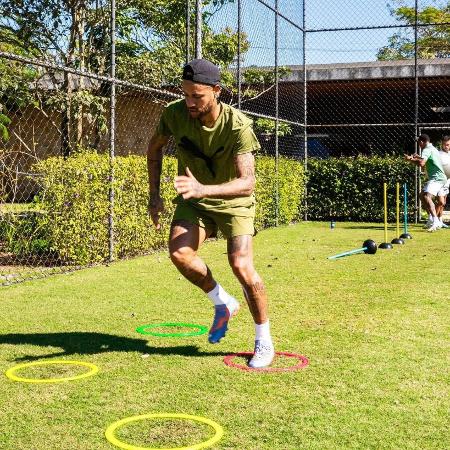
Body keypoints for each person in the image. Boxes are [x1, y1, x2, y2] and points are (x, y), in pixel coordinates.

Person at [147, 59, 275, 368]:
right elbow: (153, 149)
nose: (189, 102)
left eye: (197, 96)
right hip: (195, 199)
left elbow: (247, 183)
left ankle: (264, 340)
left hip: (232, 200)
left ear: (216, 91)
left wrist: (204, 188)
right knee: (180, 254)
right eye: (185, 94)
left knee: (241, 266)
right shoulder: (174, 115)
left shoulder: (238, 125)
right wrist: (154, 197)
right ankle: (223, 302)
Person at [404, 134, 447, 232]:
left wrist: (410, 159)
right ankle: (431, 219)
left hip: (437, 178)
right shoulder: (433, 148)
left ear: (422, 142)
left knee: (427, 197)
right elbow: (426, 162)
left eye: (419, 142)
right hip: (440, 178)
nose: (419, 145)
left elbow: (422, 163)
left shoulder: (426, 149)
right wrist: (418, 157)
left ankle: (435, 221)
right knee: (421, 195)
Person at [436, 136, 450, 228]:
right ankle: (433, 220)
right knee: (440, 202)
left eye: (448, 145)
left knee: (443, 202)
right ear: (441, 144)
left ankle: (440, 221)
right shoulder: (438, 154)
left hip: (448, 180)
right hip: (440, 180)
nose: (446, 146)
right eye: (445, 144)